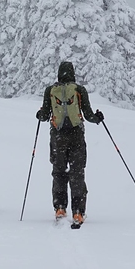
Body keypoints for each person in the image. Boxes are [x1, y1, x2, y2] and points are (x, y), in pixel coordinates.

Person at [35, 61, 104, 226]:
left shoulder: (50, 90)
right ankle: (78, 212)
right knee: (77, 173)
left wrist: (39, 114)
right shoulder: (79, 90)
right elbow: (87, 114)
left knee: (59, 172)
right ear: (73, 73)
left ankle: (60, 207)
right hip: (76, 137)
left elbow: (44, 116)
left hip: (57, 138)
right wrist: (98, 118)